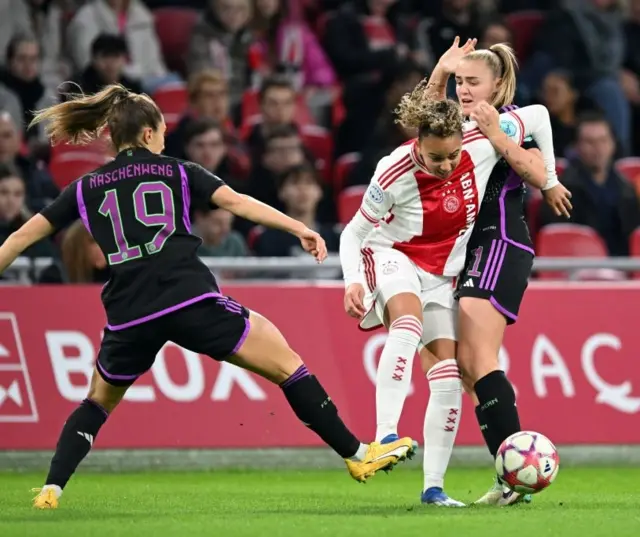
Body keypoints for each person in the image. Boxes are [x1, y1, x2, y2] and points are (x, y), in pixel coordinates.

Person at [7, 85, 416, 510]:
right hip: (188, 299)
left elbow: (21, 236)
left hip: (129, 314)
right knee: (285, 362)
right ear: (148, 133)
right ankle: (357, 455)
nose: (166, 136)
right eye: (162, 129)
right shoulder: (178, 171)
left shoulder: (85, 187)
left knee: (97, 402)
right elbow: (236, 203)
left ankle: (52, 490)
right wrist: (299, 227)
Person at [339, 81, 560, 506]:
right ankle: (385, 434)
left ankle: (433, 489)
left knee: (446, 378)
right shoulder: (392, 171)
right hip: (393, 255)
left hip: (441, 274)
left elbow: (539, 117)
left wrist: (548, 179)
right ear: (417, 144)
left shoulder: (479, 140)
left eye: (452, 156)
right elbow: (353, 233)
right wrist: (353, 279)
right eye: (435, 156)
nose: (444, 165)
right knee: (407, 322)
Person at [422, 38, 572, 505]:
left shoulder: (510, 119)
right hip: (469, 251)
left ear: (498, 85)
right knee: (468, 368)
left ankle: (515, 478)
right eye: (459, 82)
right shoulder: (455, 127)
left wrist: (540, 174)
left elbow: (536, 164)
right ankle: (510, 480)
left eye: (472, 82)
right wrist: (438, 77)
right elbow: (419, 127)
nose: (464, 91)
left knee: (479, 360)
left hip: (499, 241)